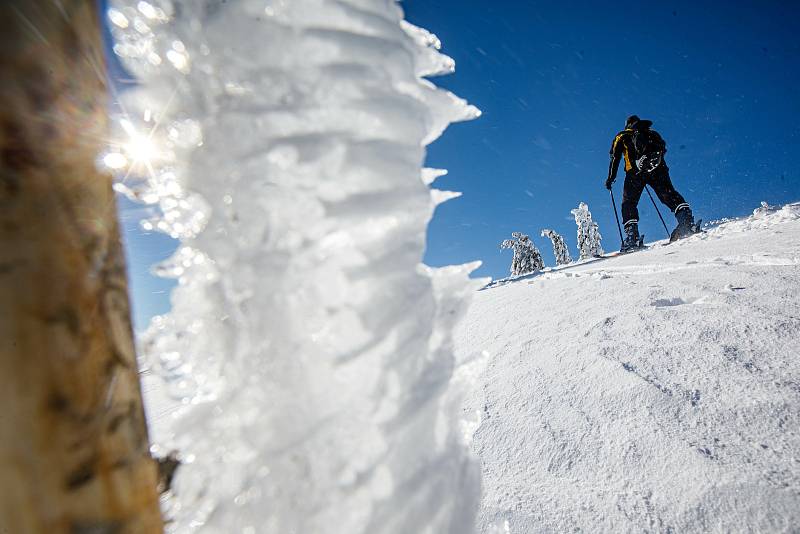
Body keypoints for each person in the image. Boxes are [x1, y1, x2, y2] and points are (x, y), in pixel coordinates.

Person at [605, 115, 697, 251]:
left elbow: (615, 157)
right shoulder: (651, 133)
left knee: (629, 203)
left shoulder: (622, 136)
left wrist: (611, 178)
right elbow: (663, 149)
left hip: (634, 173)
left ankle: (632, 238)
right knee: (668, 194)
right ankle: (686, 221)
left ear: (627, 125)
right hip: (658, 168)